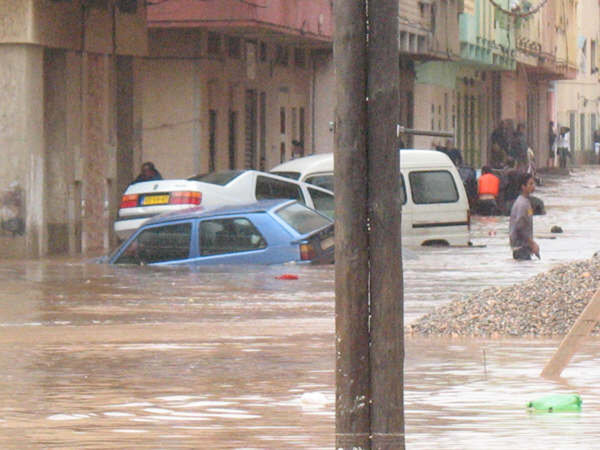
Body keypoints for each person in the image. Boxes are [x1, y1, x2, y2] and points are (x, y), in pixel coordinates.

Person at [509, 172, 539, 260]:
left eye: (534, 183)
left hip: (524, 248)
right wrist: (532, 244)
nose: (533, 186)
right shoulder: (522, 204)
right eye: (530, 184)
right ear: (523, 186)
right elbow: (520, 227)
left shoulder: (526, 201)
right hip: (520, 249)